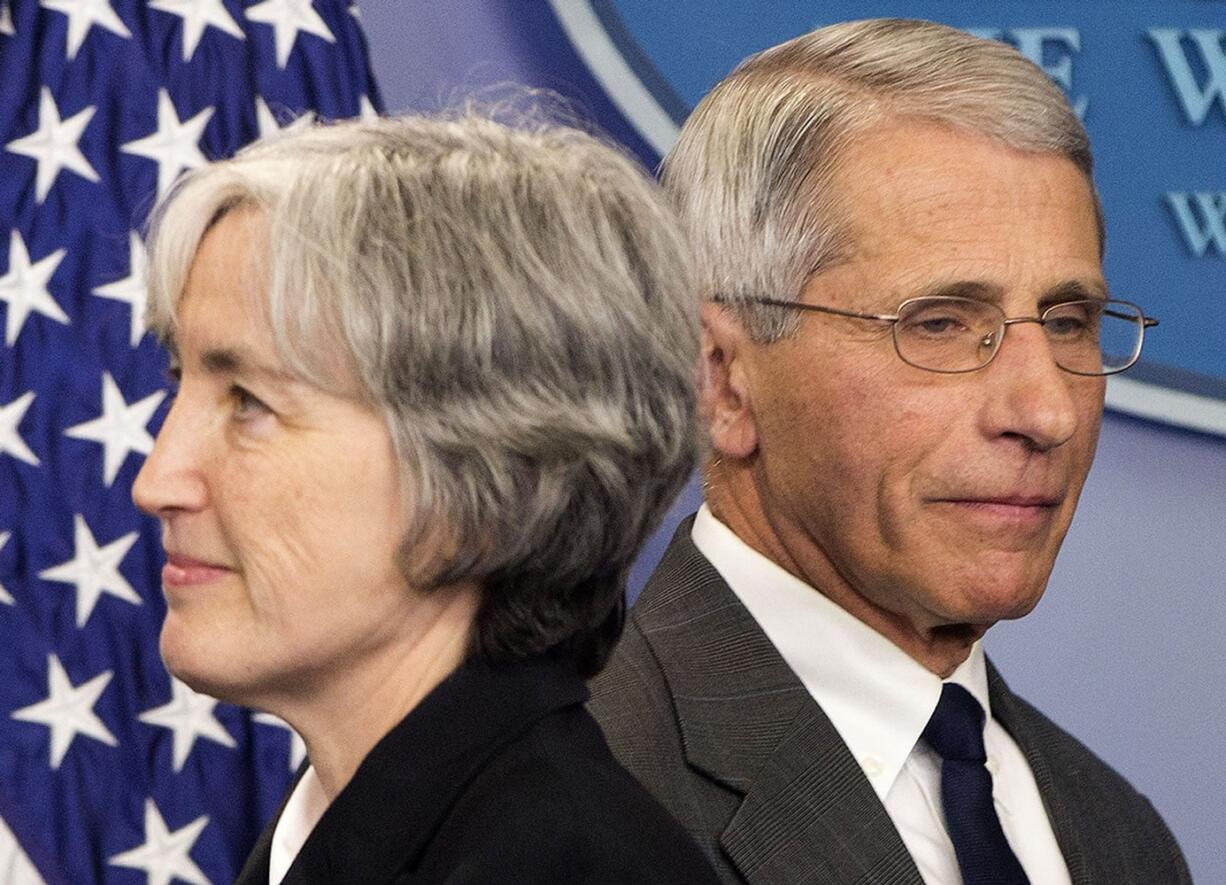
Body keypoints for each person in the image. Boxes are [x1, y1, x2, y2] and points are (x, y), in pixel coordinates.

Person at [588, 18, 1191, 885]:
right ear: (721, 380)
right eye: (942, 324)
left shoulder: (1114, 833)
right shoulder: (582, 803)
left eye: (1068, 323)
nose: (1048, 409)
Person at [132, 113, 721, 884]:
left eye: (249, 401)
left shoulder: (565, 866)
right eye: (182, 382)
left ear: (489, 475)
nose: (158, 481)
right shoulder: (342, 834)